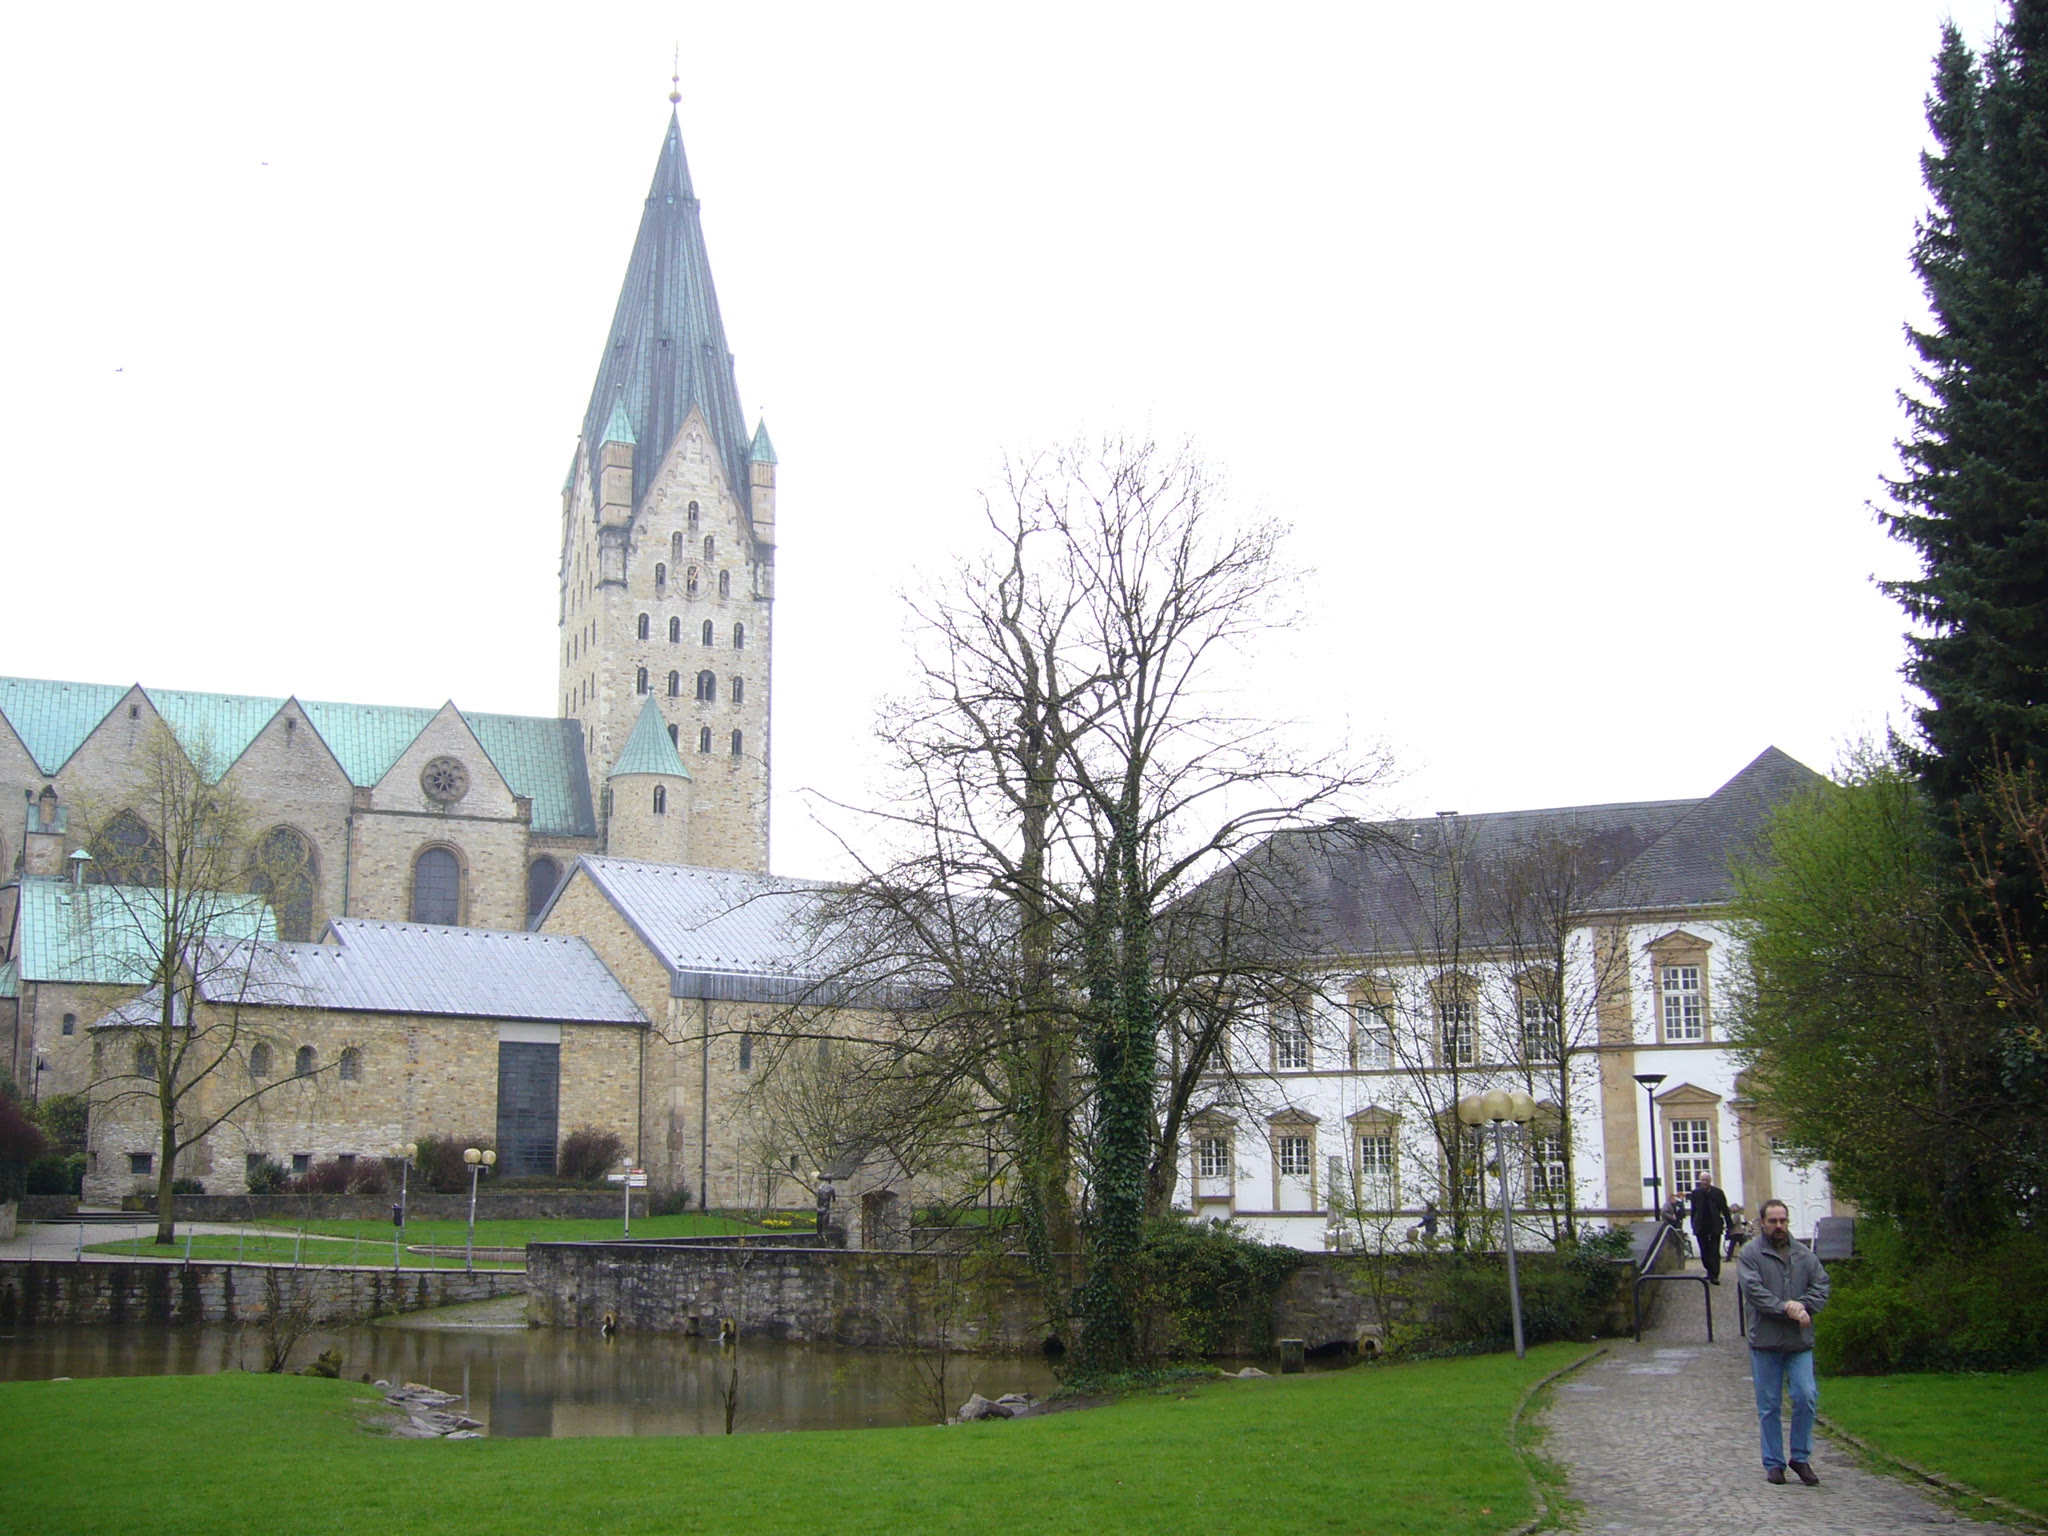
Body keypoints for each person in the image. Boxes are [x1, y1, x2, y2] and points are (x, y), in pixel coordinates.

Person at [1737, 1198, 1830, 1486]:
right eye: (1773, 1221)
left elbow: (1822, 1285)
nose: (1779, 1226)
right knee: (1769, 1405)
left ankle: (1800, 1456)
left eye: (1783, 1220)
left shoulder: (1803, 1254)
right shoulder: (1750, 1254)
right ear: (1762, 1223)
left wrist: (1803, 1305)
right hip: (1765, 1341)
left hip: (1798, 1341)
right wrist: (1785, 1307)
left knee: (1806, 1396)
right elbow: (1754, 1291)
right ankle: (1774, 1462)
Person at [1688, 1173, 1733, 1284]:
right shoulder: (1696, 1193)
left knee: (1714, 1250)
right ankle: (1709, 1270)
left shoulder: (1718, 1193)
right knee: (1704, 1250)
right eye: (1703, 1180)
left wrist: (1729, 1225)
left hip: (1714, 1225)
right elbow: (1693, 1210)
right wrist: (1693, 1224)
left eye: (1706, 1180)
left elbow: (1724, 1209)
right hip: (1701, 1226)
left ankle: (1714, 1274)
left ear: (1710, 1181)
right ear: (1700, 1181)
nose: (1704, 1182)